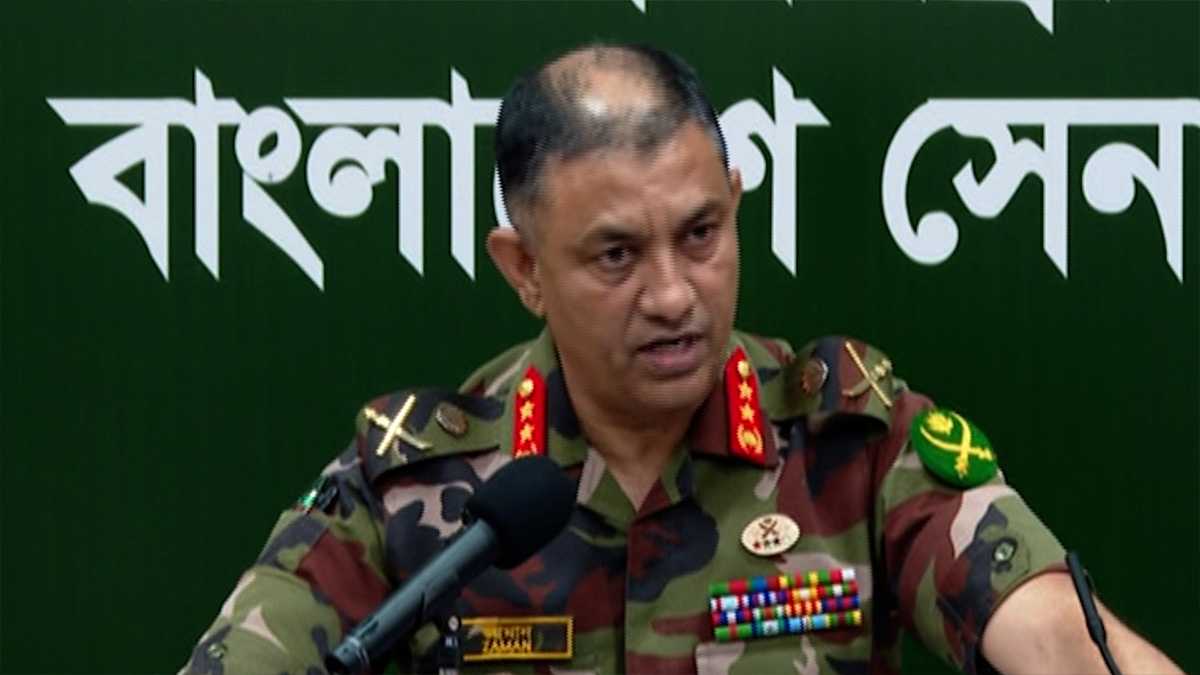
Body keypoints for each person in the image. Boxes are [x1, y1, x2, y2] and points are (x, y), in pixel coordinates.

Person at [181, 44, 1181, 675]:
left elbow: (1055, 636)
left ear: (735, 205)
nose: (672, 293)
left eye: (701, 234)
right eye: (616, 255)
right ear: (525, 269)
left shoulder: (855, 442)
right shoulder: (413, 490)